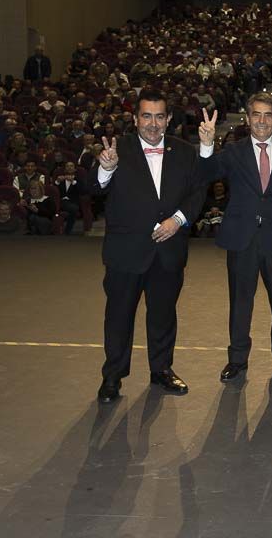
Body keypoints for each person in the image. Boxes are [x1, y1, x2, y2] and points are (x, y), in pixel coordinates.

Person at [89, 89, 210, 404]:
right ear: (134, 119)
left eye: (159, 116)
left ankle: (161, 370)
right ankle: (112, 377)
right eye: (146, 116)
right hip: (125, 253)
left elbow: (198, 193)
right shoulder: (116, 150)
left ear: (168, 119)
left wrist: (178, 220)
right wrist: (106, 169)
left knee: (163, 315)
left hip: (168, 251)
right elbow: (92, 190)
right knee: (118, 317)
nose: (153, 124)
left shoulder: (185, 152)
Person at [198, 97, 272, 383]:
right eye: (256, 115)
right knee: (240, 304)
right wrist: (208, 144)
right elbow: (207, 174)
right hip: (242, 240)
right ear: (247, 118)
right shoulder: (232, 152)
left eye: (268, 115)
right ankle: (237, 360)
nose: (262, 121)